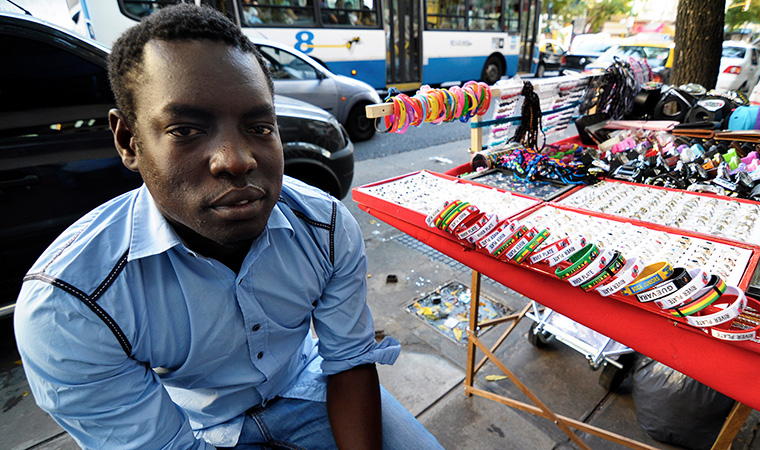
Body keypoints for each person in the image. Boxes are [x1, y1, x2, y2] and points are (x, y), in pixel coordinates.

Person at [13, 5, 444, 450]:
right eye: (185, 130)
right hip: (189, 427)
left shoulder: (327, 227)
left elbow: (348, 361)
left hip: (309, 388)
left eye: (260, 126)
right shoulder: (71, 305)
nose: (237, 160)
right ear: (128, 141)